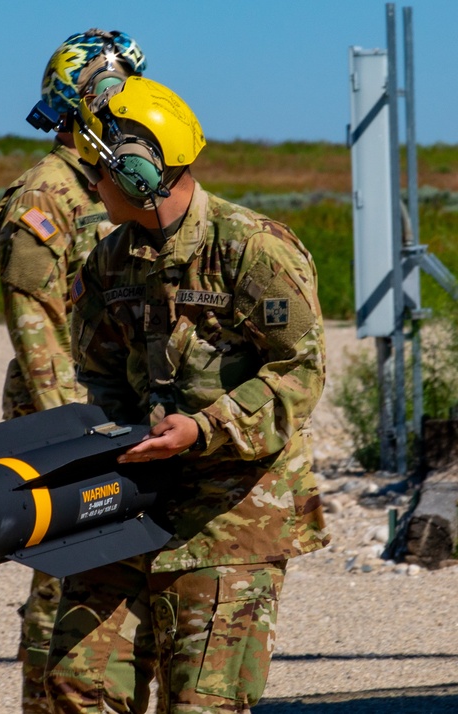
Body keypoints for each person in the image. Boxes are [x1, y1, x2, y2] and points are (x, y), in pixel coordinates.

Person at [45, 76, 331, 713]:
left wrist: (204, 429)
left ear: (141, 172)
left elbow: (299, 373)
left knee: (202, 703)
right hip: (132, 500)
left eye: (100, 169)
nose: (92, 184)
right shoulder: (108, 263)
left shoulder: (252, 249)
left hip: (233, 511)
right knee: (78, 686)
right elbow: (100, 377)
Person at [0, 29, 146, 713]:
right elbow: (37, 330)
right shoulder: (44, 197)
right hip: (67, 425)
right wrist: (75, 436)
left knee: (117, 578)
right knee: (62, 581)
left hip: (117, 415)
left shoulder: (117, 181)